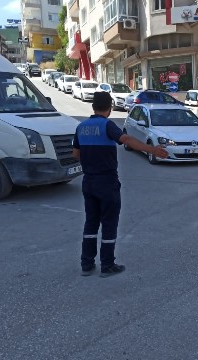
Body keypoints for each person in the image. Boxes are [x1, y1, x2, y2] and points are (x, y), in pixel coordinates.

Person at [72, 91, 168, 278]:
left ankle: (86, 264)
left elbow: (75, 154)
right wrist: (152, 149)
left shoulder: (81, 127)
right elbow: (126, 139)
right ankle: (107, 265)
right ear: (109, 109)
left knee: (91, 222)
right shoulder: (107, 125)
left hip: (88, 181)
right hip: (106, 182)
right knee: (109, 223)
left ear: (93, 107)